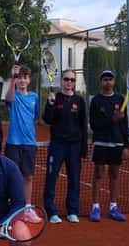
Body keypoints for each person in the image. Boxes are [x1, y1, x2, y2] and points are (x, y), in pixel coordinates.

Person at [42, 69, 88, 224]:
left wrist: (83, 148)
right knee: (51, 178)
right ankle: (51, 211)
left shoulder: (79, 101)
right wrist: (50, 104)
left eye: (72, 80)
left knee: (74, 179)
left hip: (75, 146)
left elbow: (82, 125)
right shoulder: (55, 98)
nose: (69, 83)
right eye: (66, 79)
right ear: (61, 80)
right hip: (57, 145)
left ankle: (72, 211)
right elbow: (48, 119)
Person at [89, 70, 129, 222]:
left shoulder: (120, 99)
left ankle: (113, 207)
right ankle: (95, 207)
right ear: (101, 82)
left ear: (114, 81)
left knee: (114, 175)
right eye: (105, 79)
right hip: (101, 143)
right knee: (98, 175)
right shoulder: (96, 101)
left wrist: (126, 146)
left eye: (110, 79)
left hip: (117, 144)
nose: (108, 82)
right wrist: (112, 119)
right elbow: (94, 125)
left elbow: (125, 125)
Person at [4, 64, 41, 222]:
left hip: (29, 143)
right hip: (13, 143)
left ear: (29, 80)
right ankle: (12, 209)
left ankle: (27, 208)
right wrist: (12, 78)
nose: (22, 80)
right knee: (12, 177)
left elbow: (36, 116)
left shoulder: (34, 97)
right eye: (19, 77)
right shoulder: (13, 95)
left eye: (25, 77)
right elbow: (9, 98)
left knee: (28, 177)